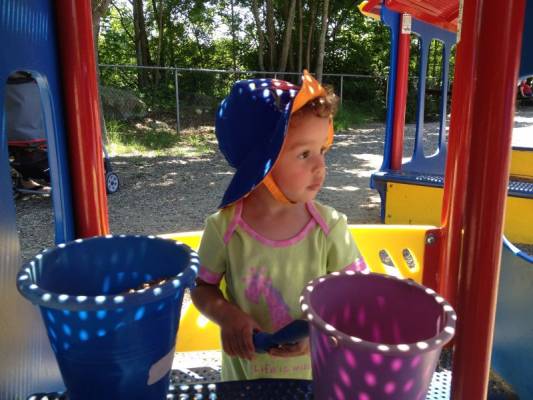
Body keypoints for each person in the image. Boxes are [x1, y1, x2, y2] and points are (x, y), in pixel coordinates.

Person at [191, 70, 365, 381]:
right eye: (304, 154)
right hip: (244, 385)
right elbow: (202, 287)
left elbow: (356, 298)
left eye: (322, 150)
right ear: (262, 165)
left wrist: (317, 332)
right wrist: (227, 316)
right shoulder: (225, 228)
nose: (320, 166)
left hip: (315, 386)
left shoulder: (330, 228)